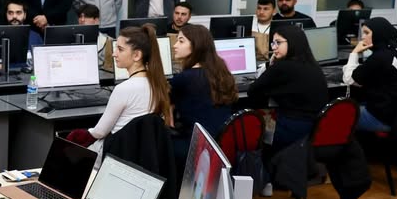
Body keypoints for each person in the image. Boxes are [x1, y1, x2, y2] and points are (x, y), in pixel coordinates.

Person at [65, 25, 171, 152]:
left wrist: (76, 135)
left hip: (117, 153)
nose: (114, 54)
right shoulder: (158, 84)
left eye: (120, 49)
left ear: (137, 55)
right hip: (141, 153)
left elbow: (99, 132)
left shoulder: (123, 89)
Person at [247, 25, 328, 154]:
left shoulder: (282, 67)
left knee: (245, 125)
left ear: (292, 42)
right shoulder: (313, 65)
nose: (274, 47)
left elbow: (252, 91)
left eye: (278, 43)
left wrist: (271, 66)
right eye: (273, 43)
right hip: (314, 129)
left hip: (291, 129)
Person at [170, 24, 238, 165]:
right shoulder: (221, 72)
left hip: (195, 146)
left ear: (196, 46)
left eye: (181, 41)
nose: (175, 45)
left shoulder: (183, 79)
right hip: (221, 145)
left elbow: (167, 110)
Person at [341, 17, 397, 133]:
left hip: (383, 118)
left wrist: (354, 53)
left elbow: (349, 79)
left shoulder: (379, 57)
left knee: (337, 117)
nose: (363, 37)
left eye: (367, 33)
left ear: (378, 33)